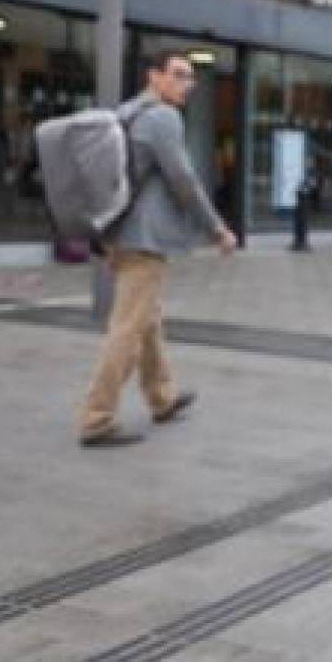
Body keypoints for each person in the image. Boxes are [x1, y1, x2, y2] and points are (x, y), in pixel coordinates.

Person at [77, 51, 237, 447]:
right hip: (143, 239)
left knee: (148, 322)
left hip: (120, 234)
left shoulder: (128, 111)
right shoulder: (162, 117)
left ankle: (161, 399)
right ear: (156, 76)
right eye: (180, 75)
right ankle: (96, 418)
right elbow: (183, 178)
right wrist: (217, 228)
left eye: (192, 78)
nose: (188, 85)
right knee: (128, 330)